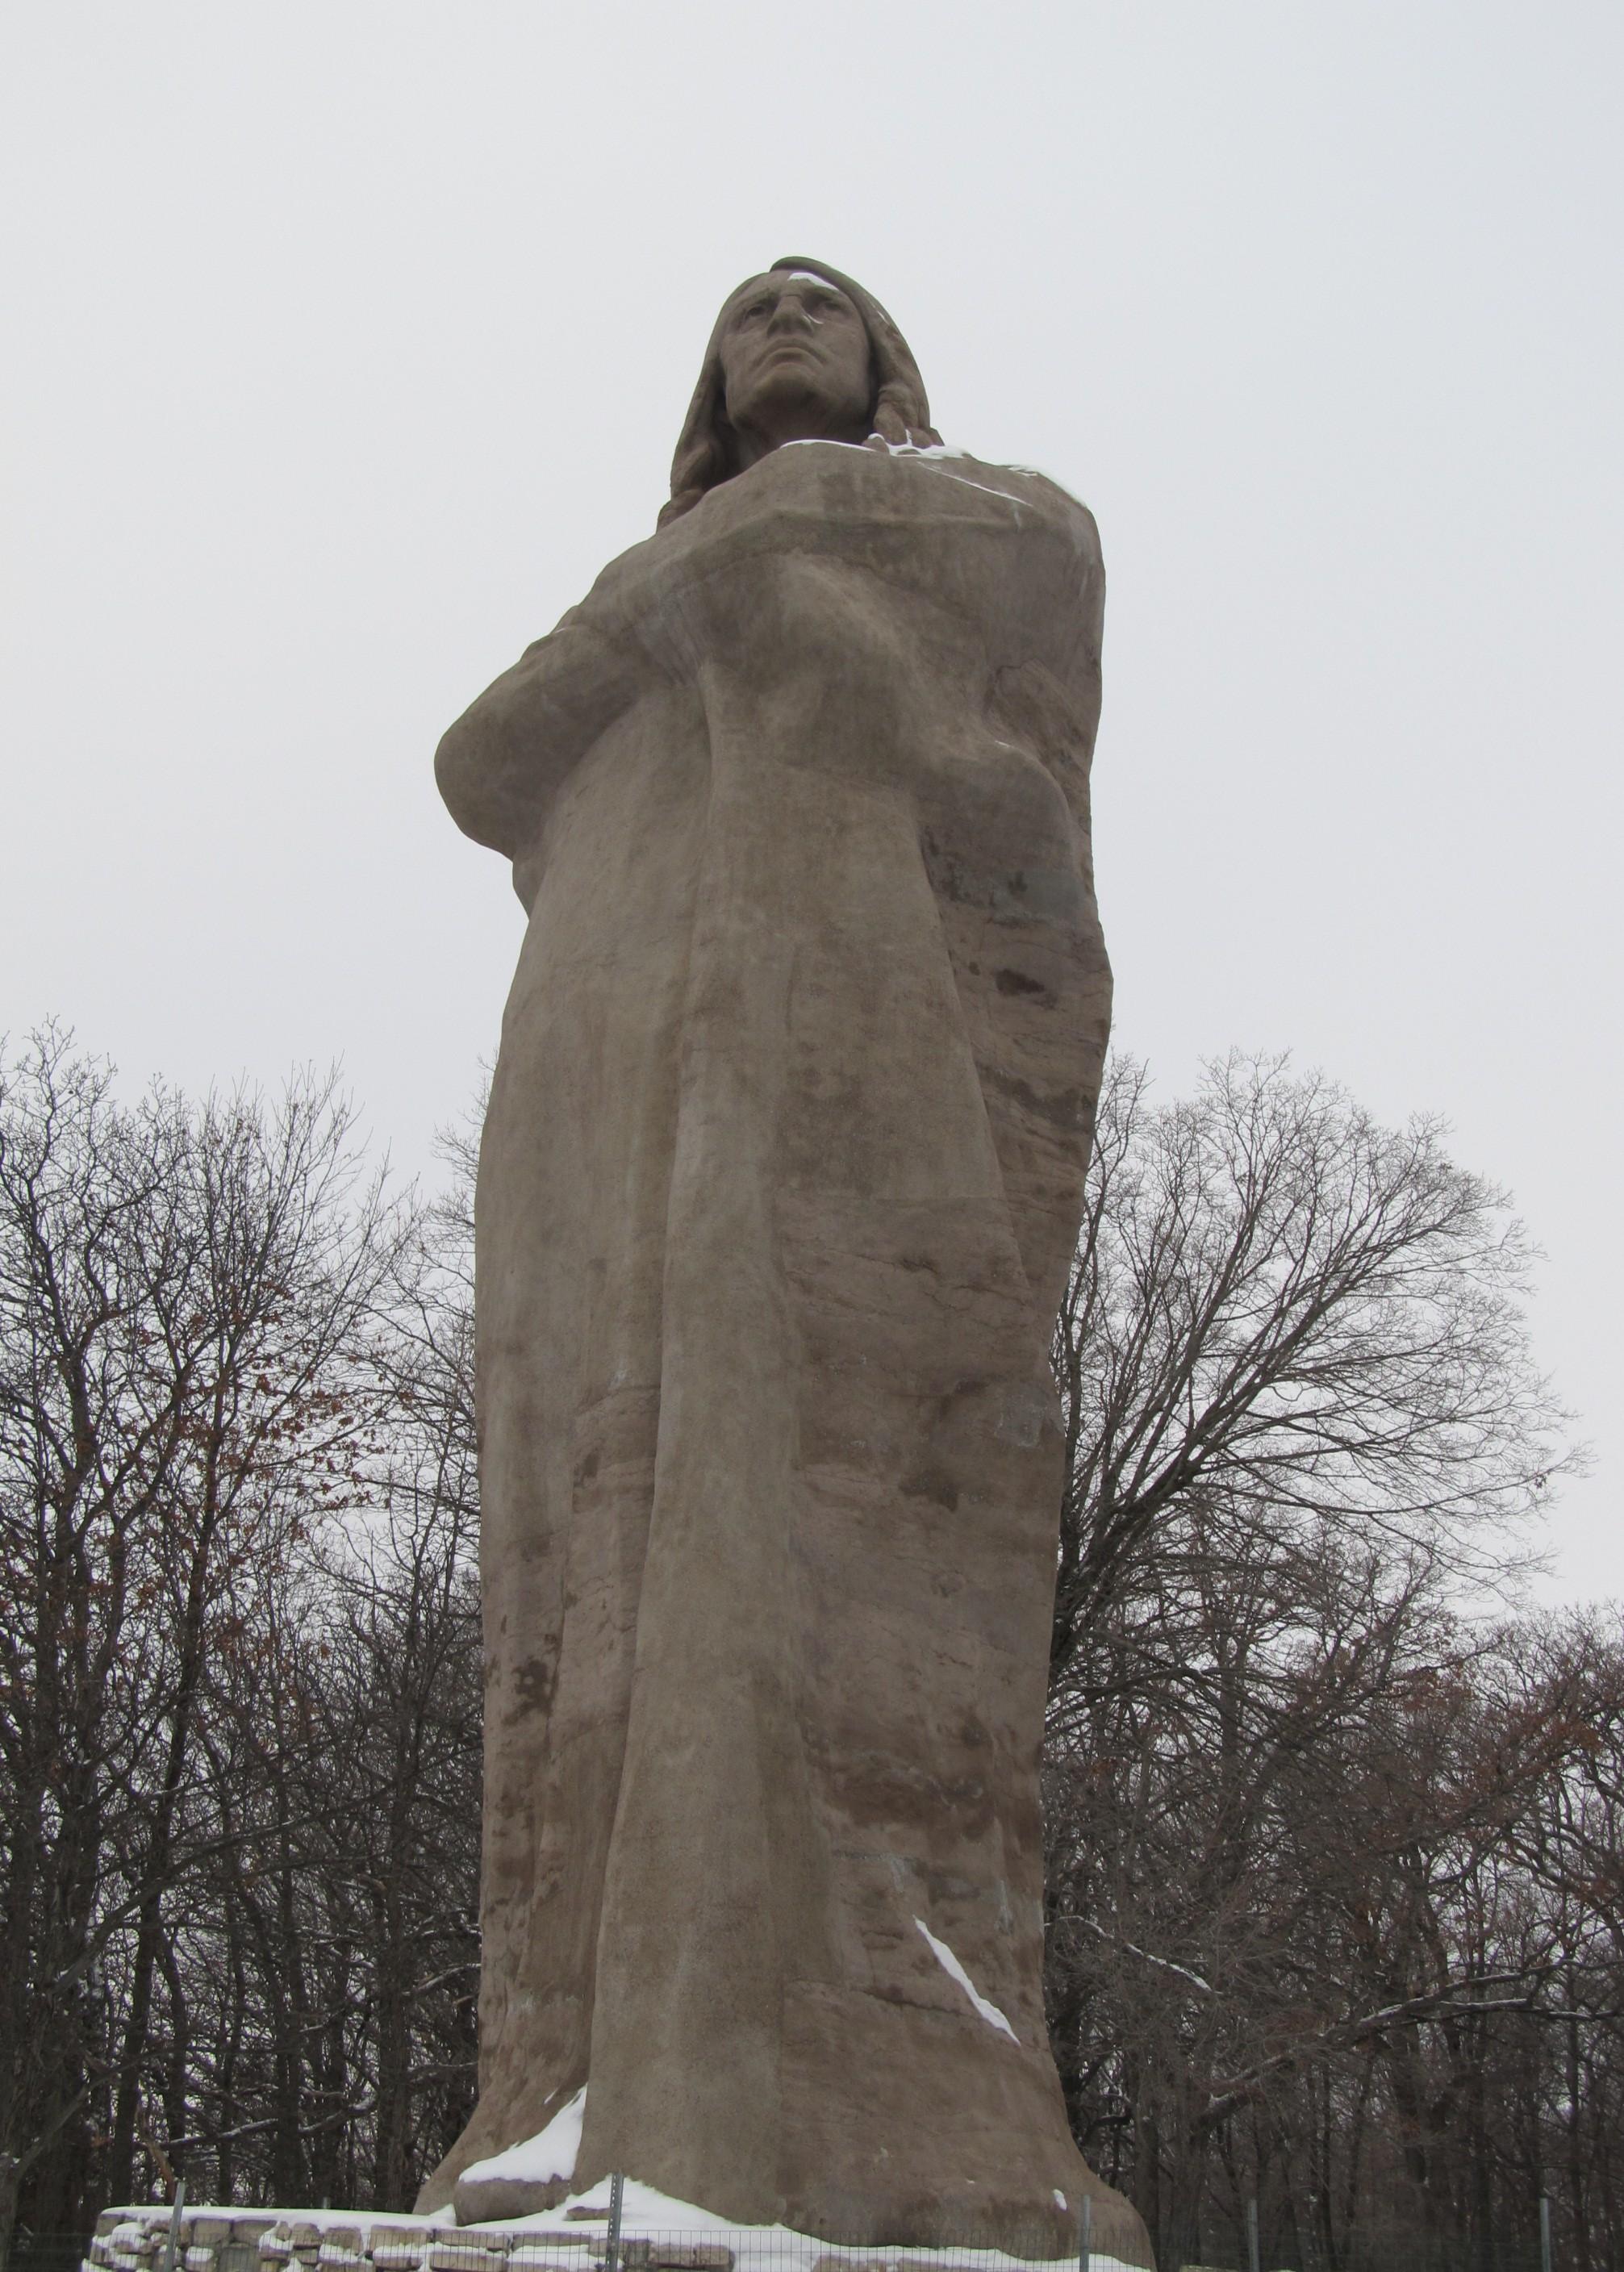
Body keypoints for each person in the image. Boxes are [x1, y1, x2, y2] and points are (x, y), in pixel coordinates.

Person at [420, 258, 1142, 2261]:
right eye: (743, 309)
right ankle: (562, 2087)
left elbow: (1009, 658)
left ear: (887, 356)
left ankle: (824, 2086)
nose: (777, 322)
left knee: (790, 1543)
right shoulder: (693, 569)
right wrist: (710, 592)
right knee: (597, 1576)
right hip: (607, 1085)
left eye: (818, 303)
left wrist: (719, 604)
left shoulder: (983, 515)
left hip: (841, 1070)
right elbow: (480, 760)